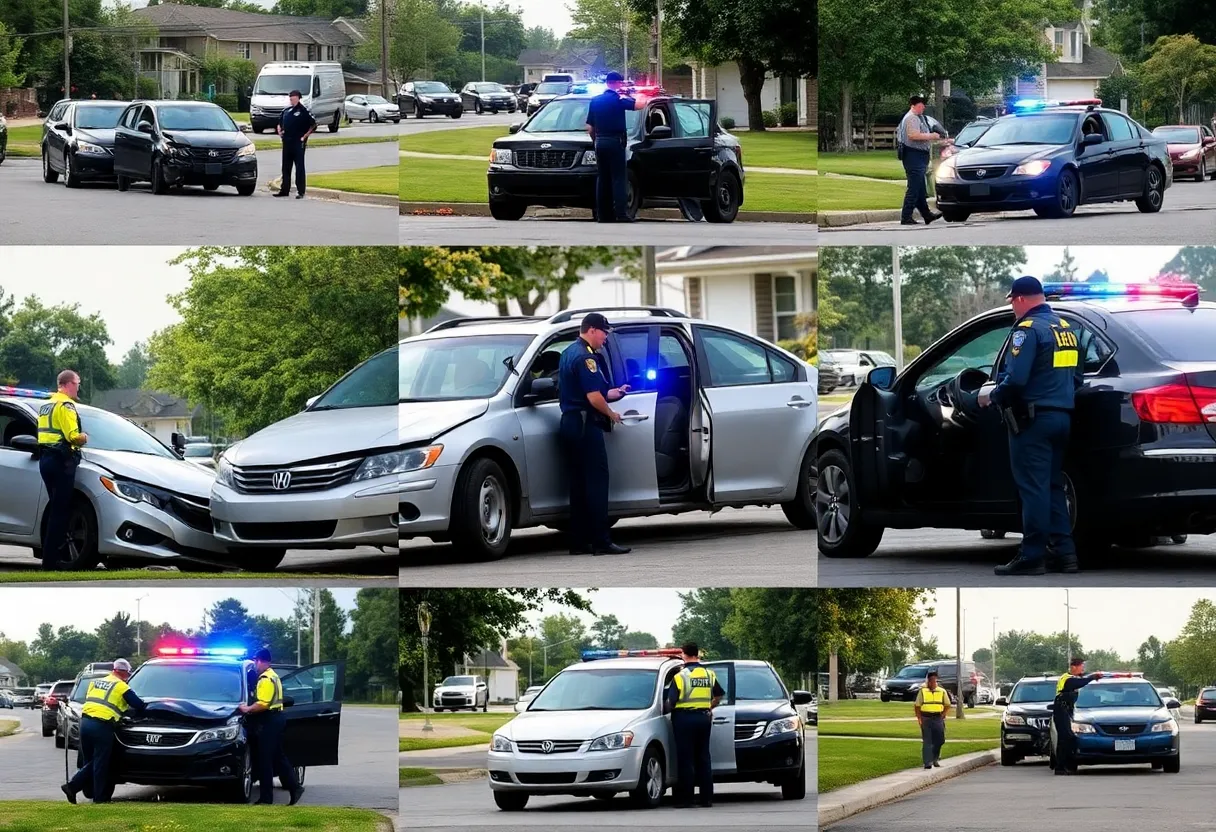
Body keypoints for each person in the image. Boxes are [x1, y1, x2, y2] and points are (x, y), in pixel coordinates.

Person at [982, 276, 1083, 576]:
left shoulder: (1027, 331)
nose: (1013, 308)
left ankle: (1033, 556)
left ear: (1020, 299)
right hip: (1062, 417)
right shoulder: (1066, 329)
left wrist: (992, 397)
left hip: (1032, 421)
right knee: (1052, 486)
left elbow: (1016, 379)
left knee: (1033, 489)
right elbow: (1075, 377)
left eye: (1012, 301)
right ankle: (1065, 554)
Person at [556, 313, 632, 555]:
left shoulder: (569, 352)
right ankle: (601, 540)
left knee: (578, 485)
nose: (606, 338)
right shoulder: (586, 357)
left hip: (571, 422)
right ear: (591, 330)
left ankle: (578, 541)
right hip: (586, 425)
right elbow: (593, 398)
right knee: (597, 484)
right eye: (604, 332)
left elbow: (593, 391)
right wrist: (612, 414)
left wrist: (615, 392)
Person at [62, 658, 146, 804]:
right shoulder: (121, 686)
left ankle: (85, 790)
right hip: (102, 726)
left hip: (85, 723)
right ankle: (94, 796)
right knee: (100, 763)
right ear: (123, 672)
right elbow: (138, 704)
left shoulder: (95, 683)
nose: (127, 677)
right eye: (127, 674)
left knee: (89, 761)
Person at [239, 648, 304, 805]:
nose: (255, 664)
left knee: (265, 760)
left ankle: (266, 798)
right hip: (276, 719)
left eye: (256, 661)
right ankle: (294, 787)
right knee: (278, 757)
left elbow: (263, 704)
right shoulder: (274, 675)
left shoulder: (266, 679)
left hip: (270, 721)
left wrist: (247, 709)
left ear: (261, 661)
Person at [37, 370, 88, 570]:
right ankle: (51, 562)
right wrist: (84, 437)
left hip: (46, 460)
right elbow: (72, 436)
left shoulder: (46, 404)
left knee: (55, 510)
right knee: (61, 512)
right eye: (77, 383)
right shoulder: (66, 405)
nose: (78, 387)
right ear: (68, 384)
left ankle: (51, 557)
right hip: (62, 461)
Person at [665, 642, 724, 808]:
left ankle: (686, 799)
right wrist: (708, 707)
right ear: (696, 654)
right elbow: (719, 695)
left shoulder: (680, 676)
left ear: (684, 654)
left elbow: (671, 702)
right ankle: (706, 799)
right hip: (703, 718)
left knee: (686, 759)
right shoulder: (709, 674)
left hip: (684, 719)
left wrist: (666, 707)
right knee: (703, 757)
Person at [585, 72, 647, 222]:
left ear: (607, 83)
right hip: (615, 142)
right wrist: (642, 94)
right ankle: (621, 213)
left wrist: (596, 141)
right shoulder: (619, 99)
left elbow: (589, 127)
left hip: (600, 142)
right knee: (618, 178)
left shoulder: (595, 100)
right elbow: (639, 105)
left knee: (603, 178)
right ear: (618, 83)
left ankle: (603, 215)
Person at [896, 95, 946, 226]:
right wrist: (932, 136)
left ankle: (926, 214)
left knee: (920, 187)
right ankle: (906, 216)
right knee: (914, 187)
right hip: (914, 155)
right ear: (914, 105)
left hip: (916, 155)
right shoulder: (912, 118)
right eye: (921, 105)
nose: (923, 107)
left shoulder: (916, 117)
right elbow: (913, 135)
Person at [1053, 658, 1103, 775]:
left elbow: (1083, 678)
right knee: (1066, 738)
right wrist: (1092, 677)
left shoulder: (1074, 677)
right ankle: (1061, 767)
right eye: (1081, 666)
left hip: (1067, 711)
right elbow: (1080, 683)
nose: (1083, 668)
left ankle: (1064, 765)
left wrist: (1095, 675)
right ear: (1074, 667)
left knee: (1068, 738)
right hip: (1061, 710)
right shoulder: (1067, 679)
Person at [275, 90, 316, 199]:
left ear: (298, 98)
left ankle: (300, 191)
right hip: (287, 142)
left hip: (298, 142)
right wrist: (279, 130)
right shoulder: (286, 110)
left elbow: (313, 125)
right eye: (290, 98)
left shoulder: (303, 111)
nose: (291, 100)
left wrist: (304, 136)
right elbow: (280, 123)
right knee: (286, 167)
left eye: (293, 98)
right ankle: (284, 190)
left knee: (299, 167)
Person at [914, 670, 951, 769]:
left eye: (934, 680)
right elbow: (917, 706)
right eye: (930, 681)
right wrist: (919, 718)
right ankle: (928, 762)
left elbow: (947, 704)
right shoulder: (922, 691)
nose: (932, 683)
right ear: (928, 681)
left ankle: (935, 758)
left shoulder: (942, 691)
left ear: (936, 681)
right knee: (927, 741)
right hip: (926, 717)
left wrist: (943, 714)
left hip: (938, 717)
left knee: (940, 739)